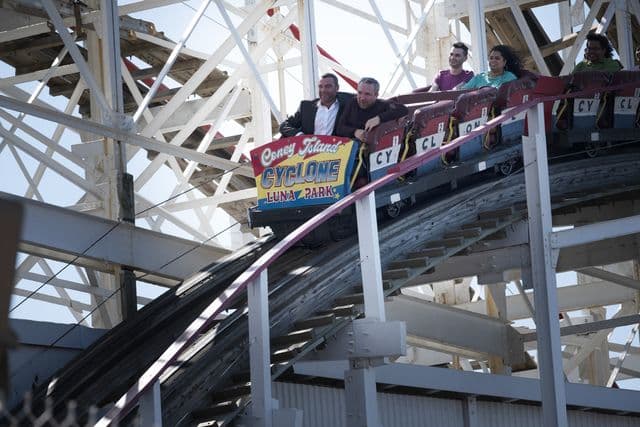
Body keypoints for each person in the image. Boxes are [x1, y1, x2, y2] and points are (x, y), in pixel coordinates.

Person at [279, 73, 353, 137]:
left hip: (338, 148)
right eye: (320, 86)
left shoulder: (347, 105)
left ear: (337, 88)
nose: (323, 90)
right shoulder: (306, 107)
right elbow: (284, 125)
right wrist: (299, 135)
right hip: (310, 148)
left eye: (328, 86)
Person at [336, 77, 408, 143]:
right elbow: (340, 128)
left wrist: (378, 119)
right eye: (360, 93)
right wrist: (355, 132)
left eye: (367, 94)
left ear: (376, 95)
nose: (362, 98)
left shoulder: (382, 105)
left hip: (370, 148)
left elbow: (403, 109)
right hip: (347, 146)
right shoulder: (352, 103)